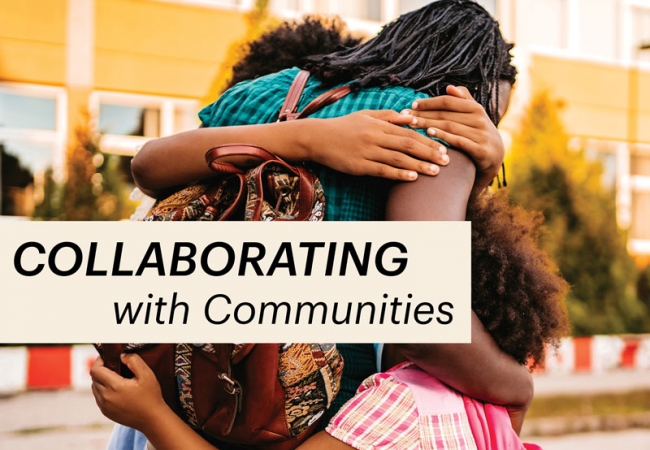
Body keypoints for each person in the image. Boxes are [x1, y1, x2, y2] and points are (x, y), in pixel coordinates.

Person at [92, 1, 549, 448]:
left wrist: (303, 137)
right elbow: (423, 318)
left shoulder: (261, 93)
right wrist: (515, 386)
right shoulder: (431, 125)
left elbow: (148, 167)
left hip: (184, 388)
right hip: (313, 413)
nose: (484, 126)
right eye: (492, 113)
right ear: (464, 90)